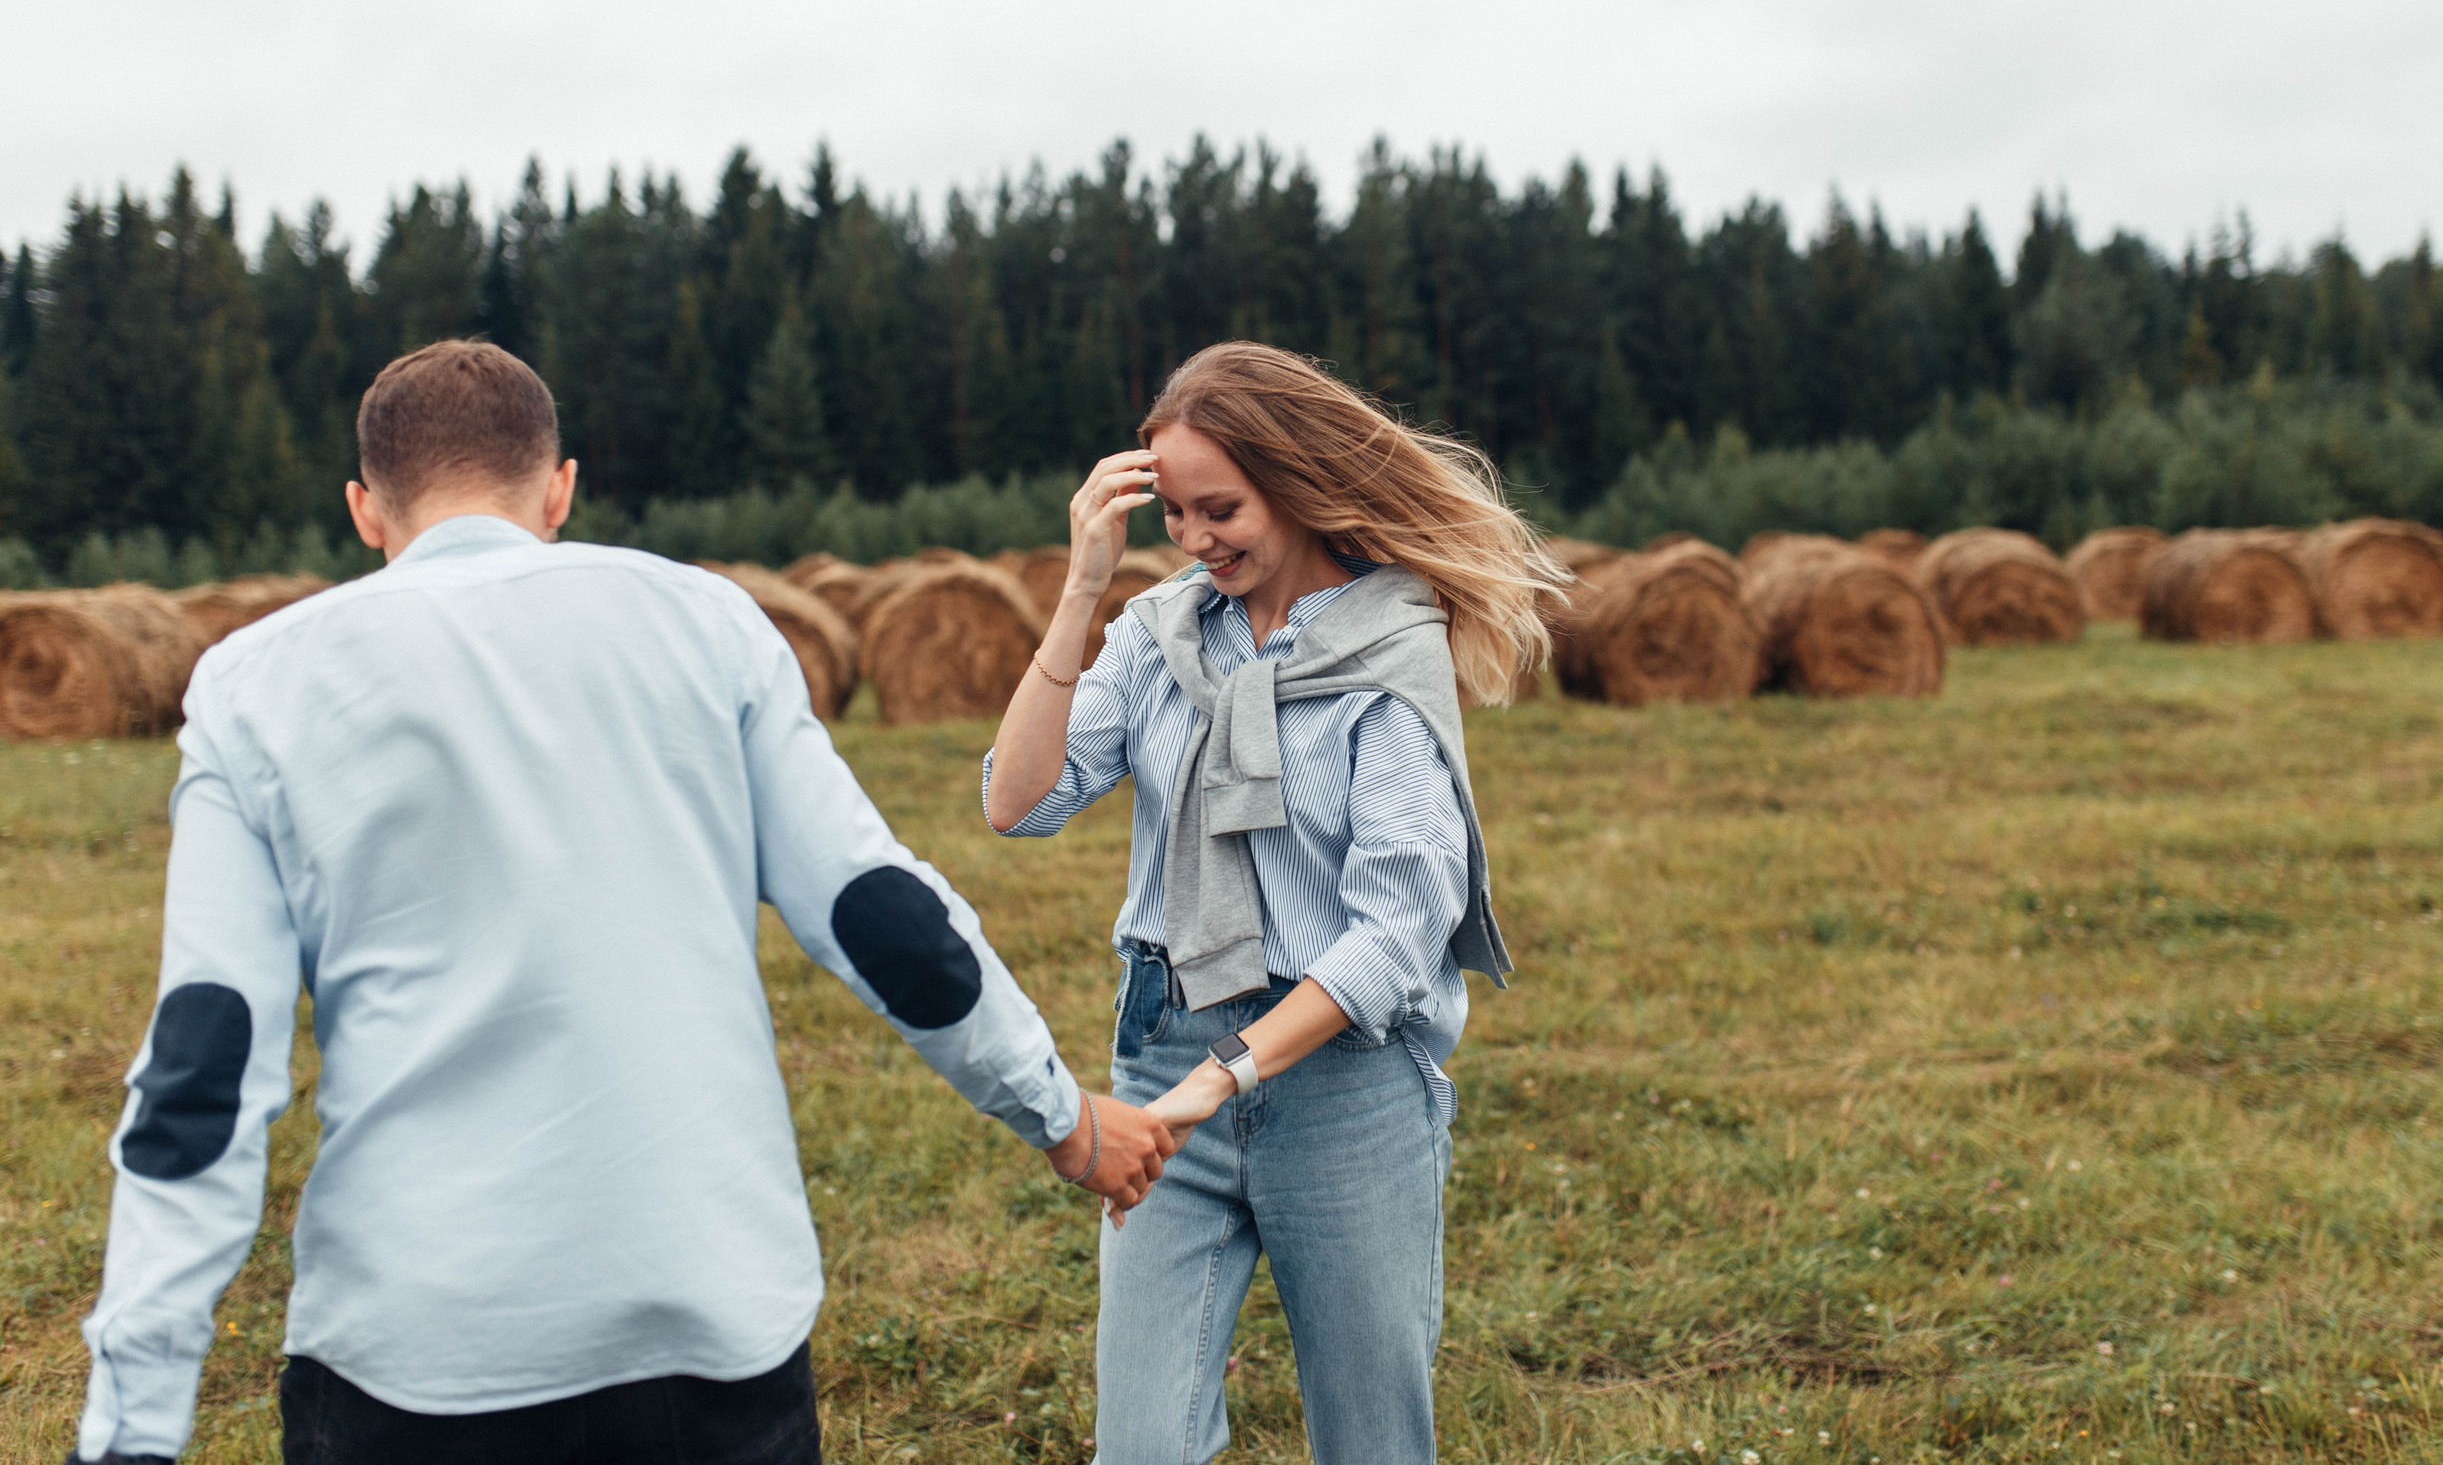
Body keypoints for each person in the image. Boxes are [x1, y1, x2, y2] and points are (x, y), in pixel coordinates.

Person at [68, 340, 1174, 1465]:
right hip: (707, 1319)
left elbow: (204, 1060)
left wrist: (131, 1433)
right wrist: (1063, 1117)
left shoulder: (253, 683)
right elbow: (883, 919)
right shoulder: (707, 622)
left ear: (364, 509)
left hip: (416, 1349)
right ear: (560, 489)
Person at [983, 342, 1567, 1464]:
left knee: (1370, 1442)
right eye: (1176, 515)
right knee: (1138, 1448)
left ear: (1296, 486)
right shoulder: (1157, 634)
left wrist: (1224, 1075)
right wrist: (1081, 591)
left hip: (1345, 1085)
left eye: (1223, 510)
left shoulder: (1389, 652)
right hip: (1164, 1057)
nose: (1196, 540)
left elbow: (1396, 933)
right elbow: (1018, 801)